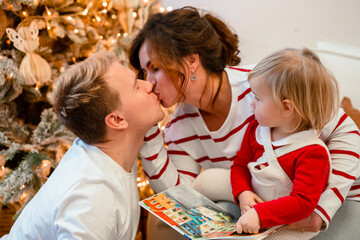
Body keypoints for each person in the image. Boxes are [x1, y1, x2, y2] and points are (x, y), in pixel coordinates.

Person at [129, 6, 360, 240]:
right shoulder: (180, 126)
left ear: (191, 61)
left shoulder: (262, 87)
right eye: (144, 73)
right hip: (267, 205)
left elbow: (347, 132)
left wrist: (322, 210)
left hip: (340, 199)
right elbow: (179, 195)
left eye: (155, 69)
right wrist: (147, 128)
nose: (149, 83)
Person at [1, 51, 164, 239]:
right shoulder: (92, 198)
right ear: (117, 120)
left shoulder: (112, 148)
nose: (149, 84)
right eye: (136, 86)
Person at [231, 48, 337, 239]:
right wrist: (243, 192)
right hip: (256, 197)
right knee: (209, 179)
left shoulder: (312, 153)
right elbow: (240, 165)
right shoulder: (256, 128)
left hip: (289, 221)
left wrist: (259, 214)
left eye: (258, 98)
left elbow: (302, 204)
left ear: (287, 107)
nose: (252, 103)